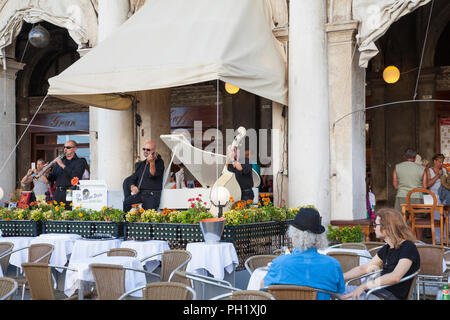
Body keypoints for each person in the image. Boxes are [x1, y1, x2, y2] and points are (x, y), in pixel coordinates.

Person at [263, 207, 345, 300]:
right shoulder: (333, 265)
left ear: (293, 234)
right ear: (319, 237)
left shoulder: (278, 263)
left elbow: (264, 289)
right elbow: (339, 292)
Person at [342, 207, 420, 300]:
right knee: (330, 289)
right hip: (374, 291)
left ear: (387, 227)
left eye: (375, 224)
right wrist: (340, 277)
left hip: (387, 296)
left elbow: (395, 276)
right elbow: (365, 268)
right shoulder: (387, 247)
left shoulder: (408, 247)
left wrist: (363, 286)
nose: (373, 228)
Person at [123, 141, 165, 211]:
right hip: (140, 193)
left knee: (148, 216)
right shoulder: (142, 164)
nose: (145, 151)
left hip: (152, 194)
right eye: (144, 149)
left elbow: (152, 175)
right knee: (126, 203)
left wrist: (152, 162)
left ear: (154, 151)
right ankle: (126, 220)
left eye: (148, 150)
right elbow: (132, 178)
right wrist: (132, 186)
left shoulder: (159, 162)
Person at [47, 140, 85, 208]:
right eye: (64, 147)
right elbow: (51, 178)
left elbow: (76, 176)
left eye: (68, 147)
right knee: (56, 216)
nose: (65, 149)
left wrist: (62, 165)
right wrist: (46, 172)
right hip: (58, 193)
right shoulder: (60, 161)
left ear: (75, 149)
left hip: (70, 192)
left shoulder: (79, 162)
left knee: (69, 215)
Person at [392, 148, 426, 213]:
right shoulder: (422, 169)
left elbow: (395, 185)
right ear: (415, 157)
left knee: (401, 217)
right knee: (416, 219)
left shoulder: (397, 167)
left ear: (405, 156)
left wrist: (403, 188)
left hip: (401, 196)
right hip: (417, 197)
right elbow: (425, 187)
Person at [425, 153, 447, 244]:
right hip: (433, 197)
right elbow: (428, 184)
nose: (441, 163)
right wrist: (438, 175)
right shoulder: (429, 171)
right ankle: (438, 239)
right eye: (439, 161)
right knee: (437, 218)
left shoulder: (445, 170)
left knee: (447, 217)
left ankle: (445, 237)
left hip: (444, 197)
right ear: (434, 161)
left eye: (442, 162)